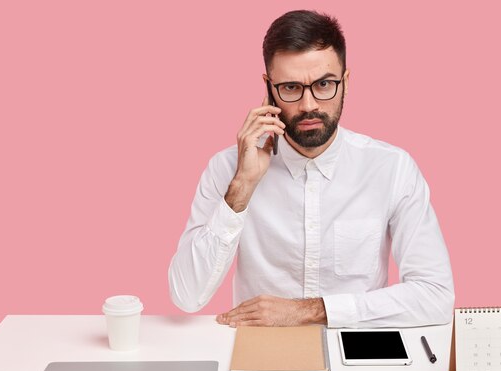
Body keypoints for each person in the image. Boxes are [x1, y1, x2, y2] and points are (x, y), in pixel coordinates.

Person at [168, 10, 454, 328]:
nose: (308, 106)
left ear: (345, 82)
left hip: (357, 352)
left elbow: (436, 296)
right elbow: (186, 295)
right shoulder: (227, 169)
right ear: (269, 88)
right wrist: (242, 187)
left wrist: (312, 310)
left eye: (324, 84)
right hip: (262, 353)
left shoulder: (392, 168)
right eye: (291, 88)